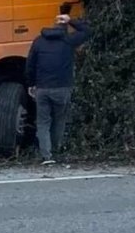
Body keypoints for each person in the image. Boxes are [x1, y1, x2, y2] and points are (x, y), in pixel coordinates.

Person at [26, 13, 90, 165]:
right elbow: (87, 31)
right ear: (65, 28)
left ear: (53, 26)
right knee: (59, 121)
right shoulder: (68, 41)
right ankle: (55, 151)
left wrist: (31, 84)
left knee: (43, 122)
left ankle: (46, 156)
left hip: (42, 88)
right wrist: (71, 20)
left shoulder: (38, 41)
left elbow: (30, 65)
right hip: (62, 88)